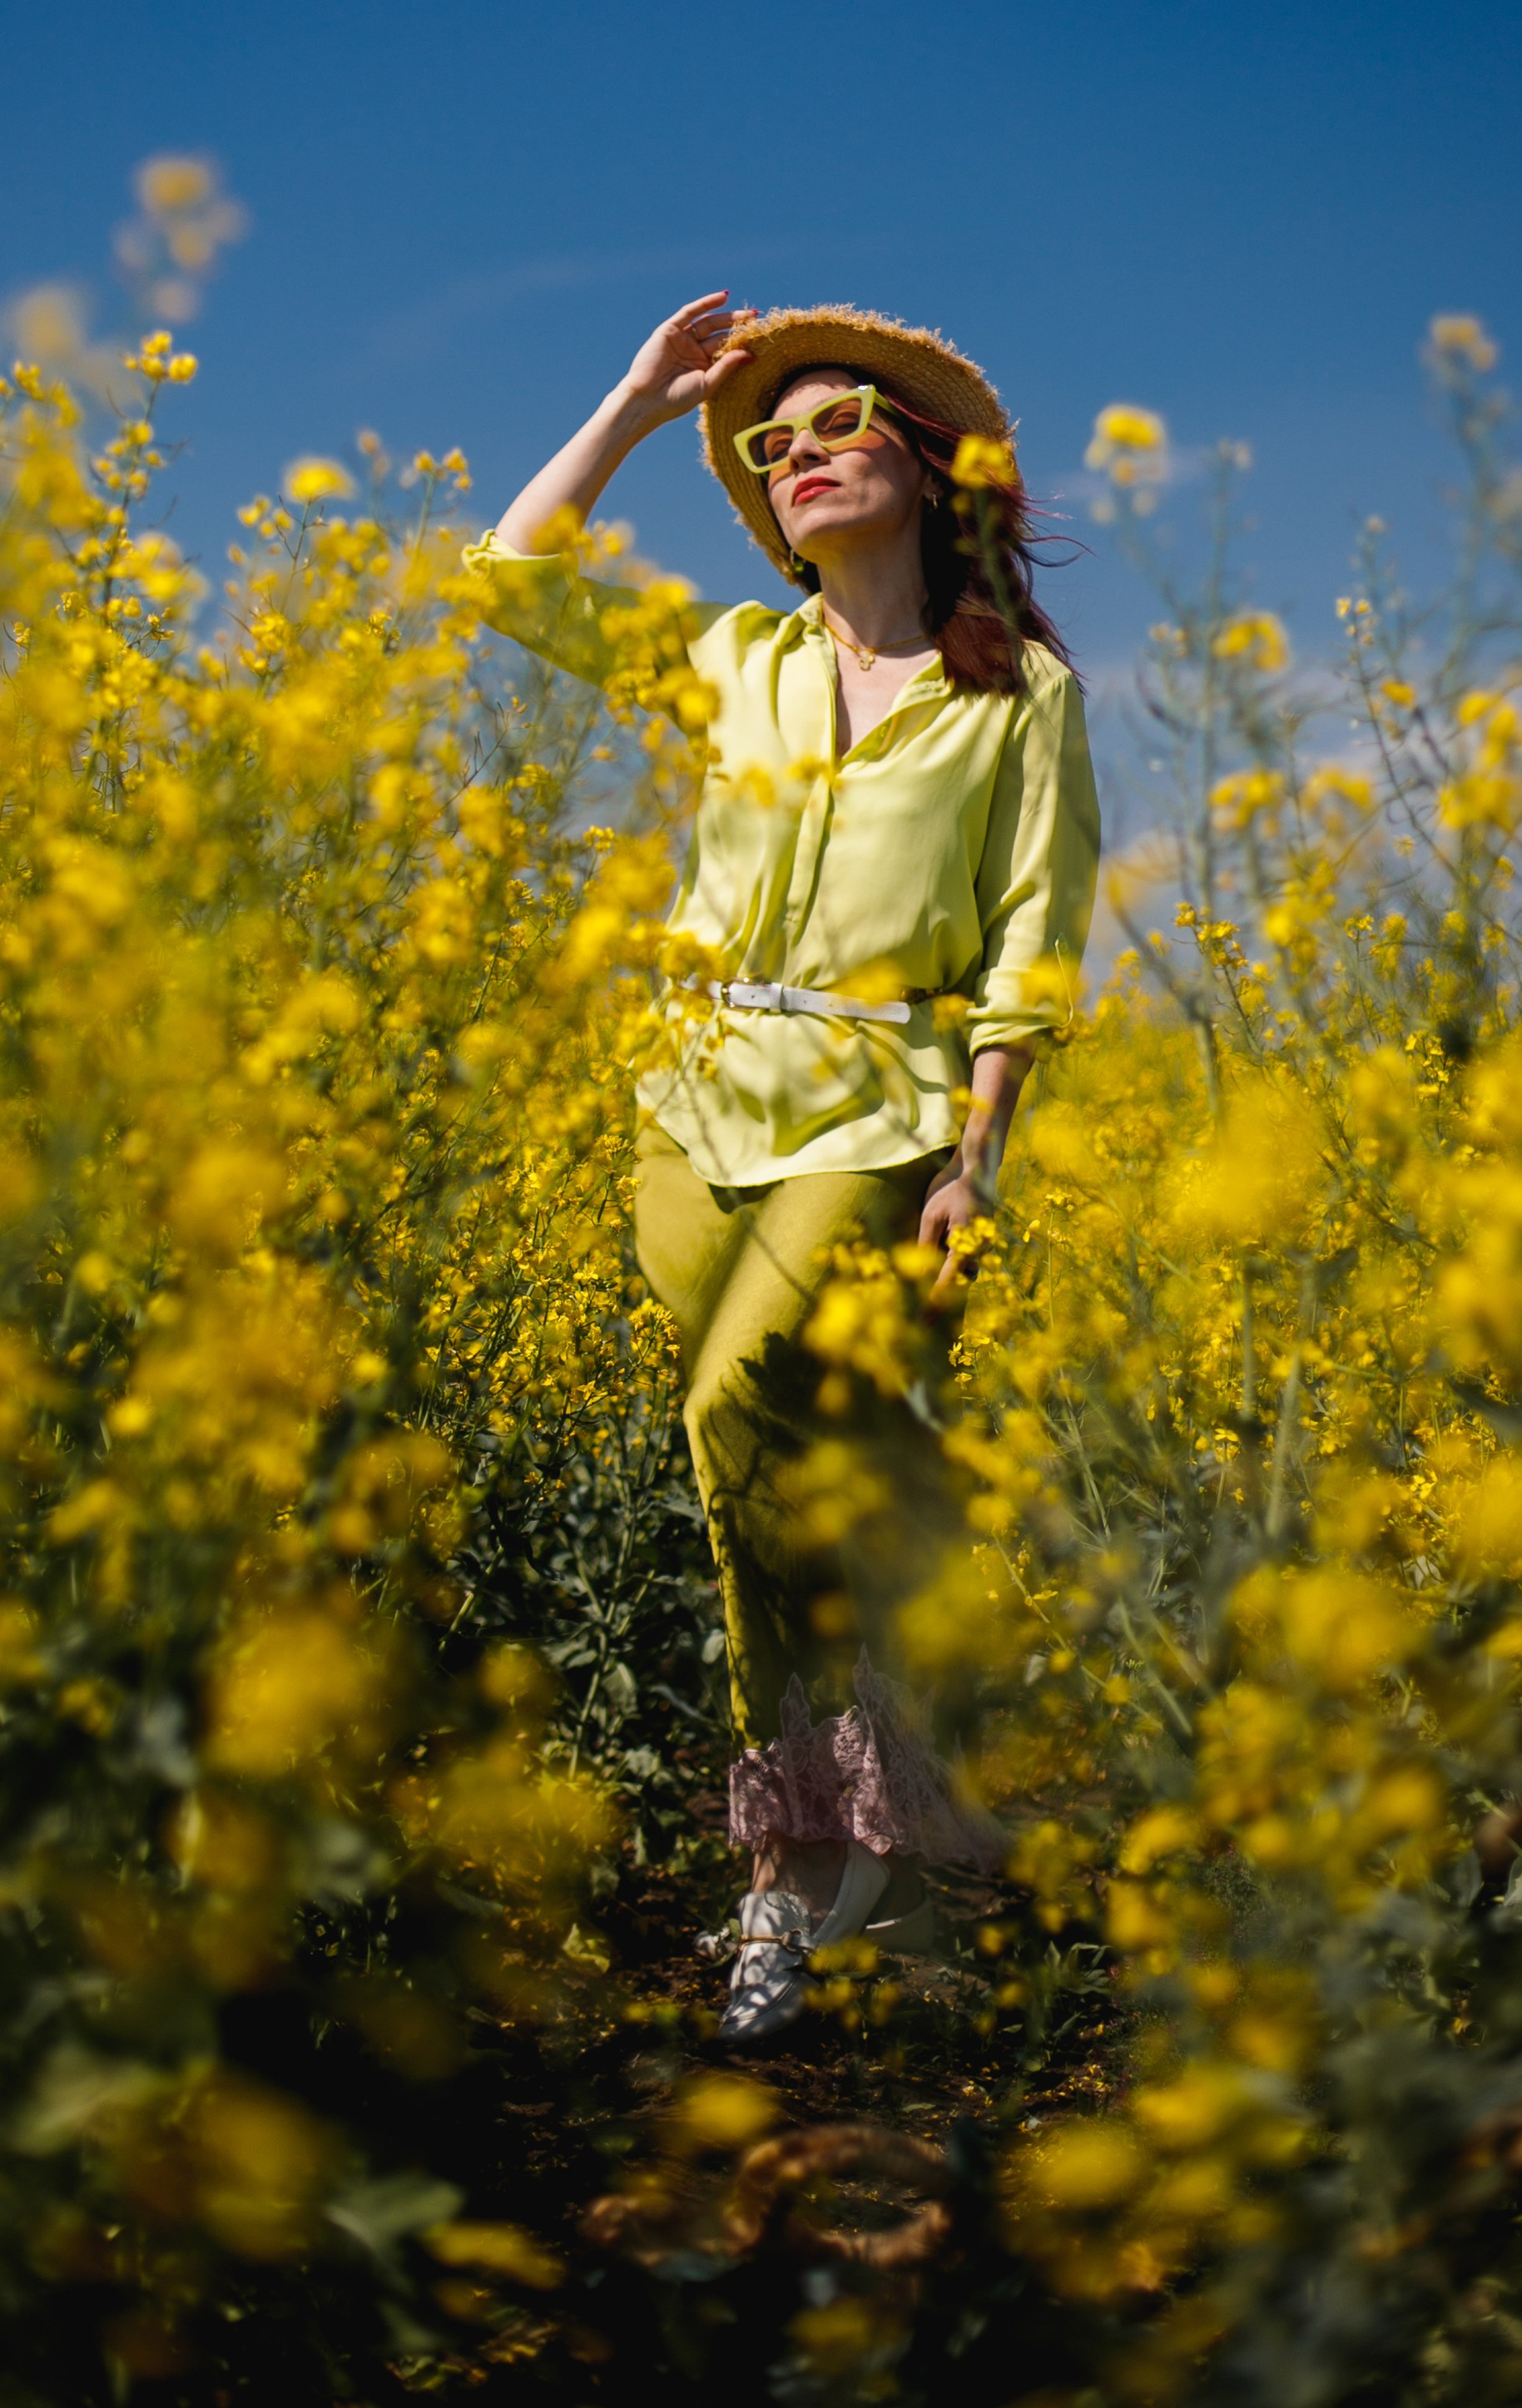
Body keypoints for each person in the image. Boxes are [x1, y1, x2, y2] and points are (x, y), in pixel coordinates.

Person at [466, 296, 1099, 2040]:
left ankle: (772, 1883)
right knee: (776, 1488)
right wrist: (632, 398)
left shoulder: (1014, 697)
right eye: (770, 441)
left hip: (878, 1105)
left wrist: (976, 1157)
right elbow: (510, 570)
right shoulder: (735, 657)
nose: (798, 449)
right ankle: (895, 1831)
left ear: (921, 465)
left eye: (836, 423)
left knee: (733, 1406)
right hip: (693, 1104)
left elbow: (1030, 947)